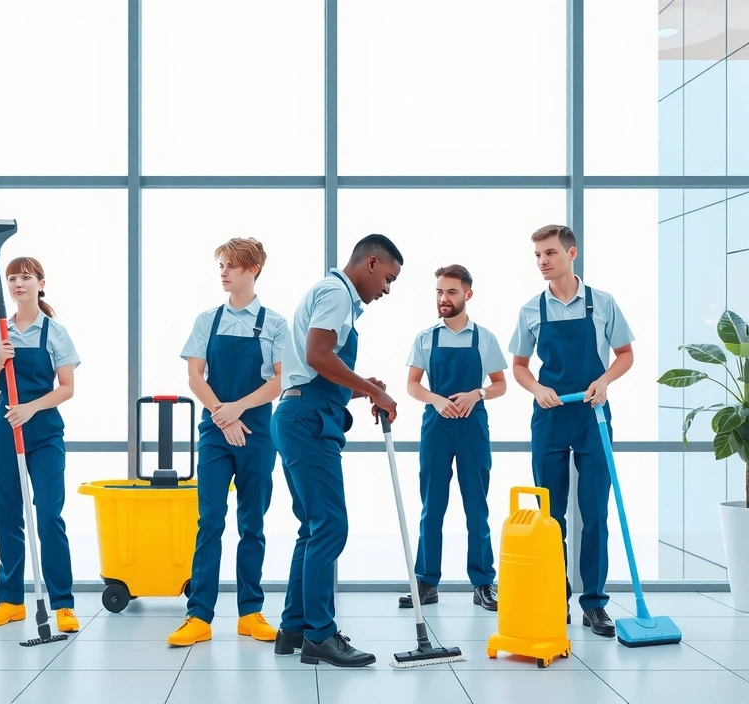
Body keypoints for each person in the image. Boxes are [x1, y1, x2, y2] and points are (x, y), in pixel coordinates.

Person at [271, 234, 402, 668]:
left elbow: (321, 362)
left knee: (312, 527)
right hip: (308, 417)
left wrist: (365, 389)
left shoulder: (332, 295)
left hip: (298, 415)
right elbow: (318, 354)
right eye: (387, 277)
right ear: (369, 263)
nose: (387, 288)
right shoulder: (336, 294)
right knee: (330, 526)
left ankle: (293, 627)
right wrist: (371, 392)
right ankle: (321, 636)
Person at [509, 225, 634, 637]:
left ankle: (595, 604)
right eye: (537, 256)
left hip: (592, 412)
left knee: (595, 512)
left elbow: (625, 355)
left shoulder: (603, 303)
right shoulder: (530, 309)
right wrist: (538, 388)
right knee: (550, 515)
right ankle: (553, 595)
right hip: (549, 415)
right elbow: (520, 367)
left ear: (571, 253)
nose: (542, 261)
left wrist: (605, 381)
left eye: (549, 253)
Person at [167, 238, 288, 647]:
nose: (223, 272)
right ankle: (198, 616)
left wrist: (237, 410)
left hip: (257, 434)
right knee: (210, 521)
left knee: (252, 525)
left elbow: (280, 380)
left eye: (231, 266)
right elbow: (195, 378)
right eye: (220, 265)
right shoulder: (208, 320)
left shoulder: (274, 323)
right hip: (215, 435)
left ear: (252, 269)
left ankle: (250, 613)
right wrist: (223, 414)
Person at [0, 257, 80, 634]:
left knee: (49, 514)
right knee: (7, 514)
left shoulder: (54, 331)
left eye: (26, 277)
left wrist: (31, 408)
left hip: (45, 432)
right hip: (5, 431)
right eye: (12, 278)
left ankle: (63, 603)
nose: (18, 283)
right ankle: (11, 602)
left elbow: (67, 388)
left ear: (41, 283)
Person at [398, 265, 507, 613]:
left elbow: (500, 384)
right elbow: (413, 385)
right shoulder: (425, 337)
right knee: (432, 505)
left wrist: (477, 394)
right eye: (439, 292)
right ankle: (426, 582)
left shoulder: (484, 337)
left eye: (451, 292)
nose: (443, 299)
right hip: (436, 427)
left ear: (467, 295)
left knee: (477, 507)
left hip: (473, 426)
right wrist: (437, 399)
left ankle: (482, 583)